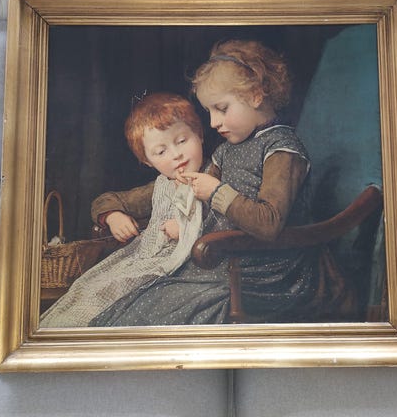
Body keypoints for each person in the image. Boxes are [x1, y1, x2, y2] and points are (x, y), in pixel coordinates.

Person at [89, 39, 345, 327]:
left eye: (221, 109)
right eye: (209, 111)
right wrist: (184, 224)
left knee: (171, 305)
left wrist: (216, 192)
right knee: (143, 298)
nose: (213, 123)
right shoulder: (226, 150)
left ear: (256, 95)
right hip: (225, 260)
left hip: (271, 271)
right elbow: (201, 209)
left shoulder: (282, 150)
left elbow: (269, 223)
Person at [40, 92, 205, 327]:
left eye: (182, 141)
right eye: (161, 152)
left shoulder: (213, 178)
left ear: (199, 134)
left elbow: (221, 221)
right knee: (89, 288)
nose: (176, 154)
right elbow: (105, 200)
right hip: (142, 258)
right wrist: (113, 216)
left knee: (118, 296)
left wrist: (186, 229)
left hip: (178, 266)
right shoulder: (160, 185)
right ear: (148, 161)